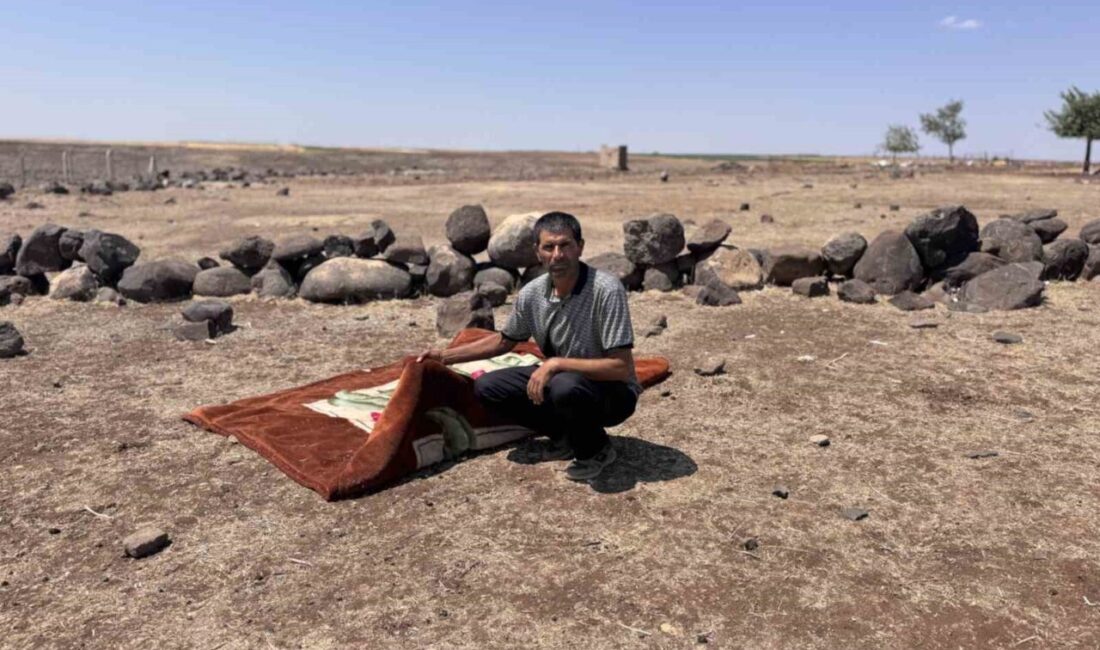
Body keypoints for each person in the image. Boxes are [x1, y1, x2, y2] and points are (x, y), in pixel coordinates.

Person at [417, 211, 639, 481]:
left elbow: (621, 368)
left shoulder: (606, 290)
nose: (557, 254)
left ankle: (596, 449)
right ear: (537, 252)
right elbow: (504, 341)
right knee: (489, 388)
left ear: (580, 247)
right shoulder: (533, 293)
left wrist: (556, 363)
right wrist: (443, 356)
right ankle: (565, 435)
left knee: (564, 385)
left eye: (565, 245)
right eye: (549, 247)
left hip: (612, 391)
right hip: (563, 380)